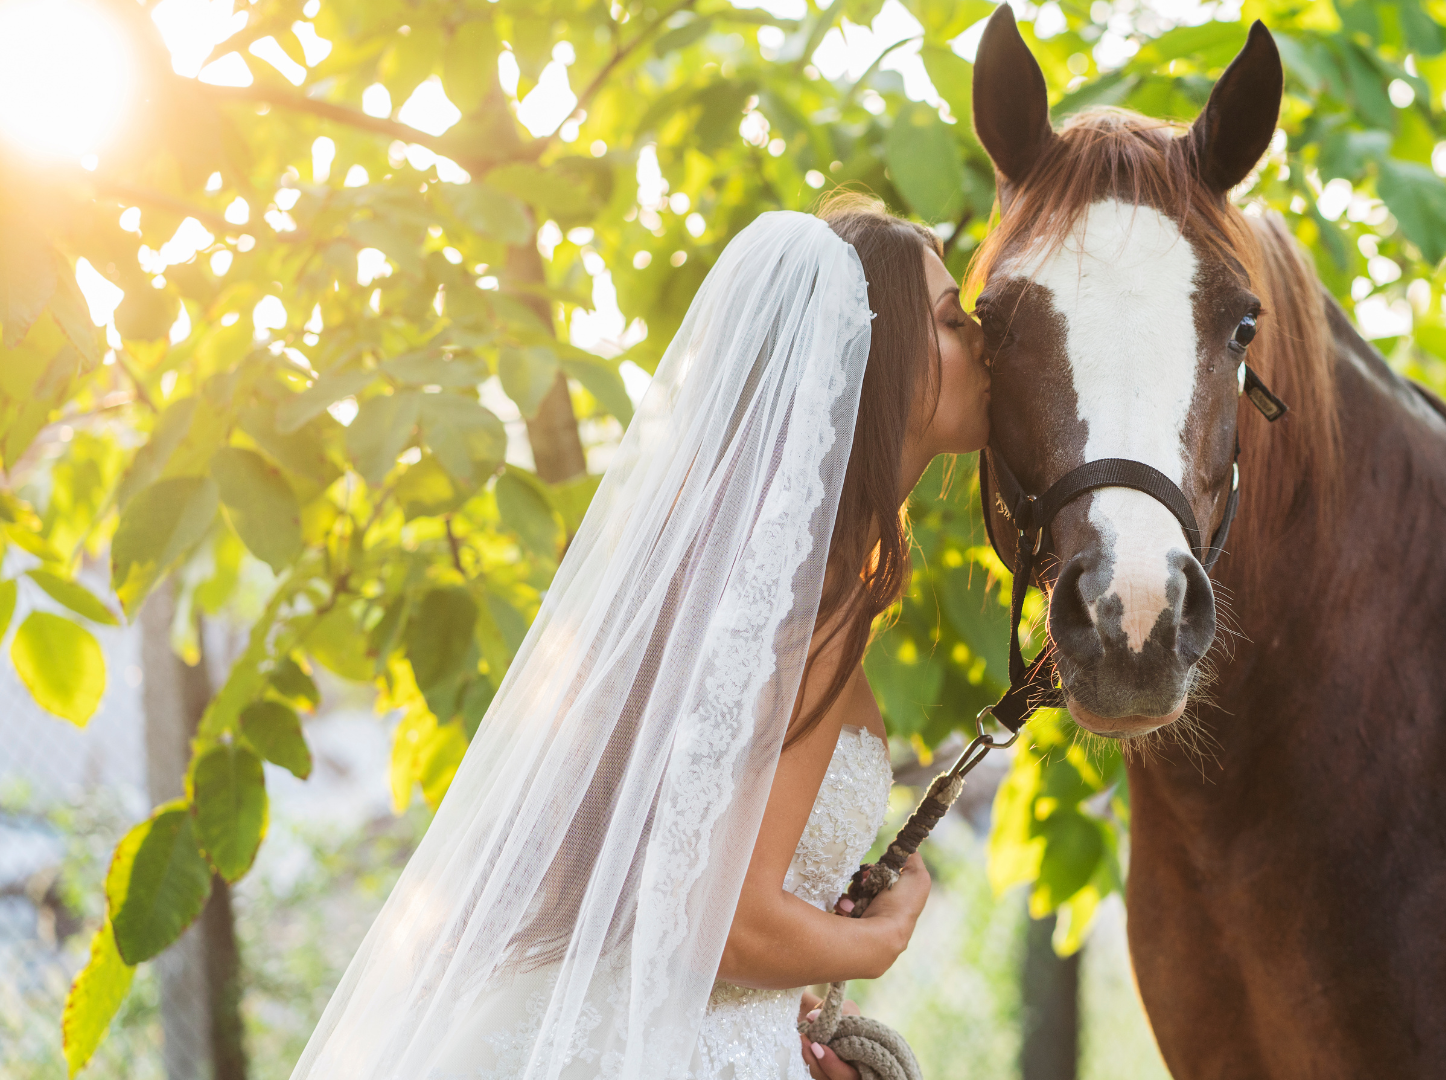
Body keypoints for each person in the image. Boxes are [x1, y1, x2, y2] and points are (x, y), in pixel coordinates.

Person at [288, 196, 989, 1080]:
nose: (982, 342)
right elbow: (720, 924)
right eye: (953, 320)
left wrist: (786, 1010)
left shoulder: (751, 578)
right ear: (876, 359)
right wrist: (876, 942)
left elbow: (678, 894)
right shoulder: (805, 599)